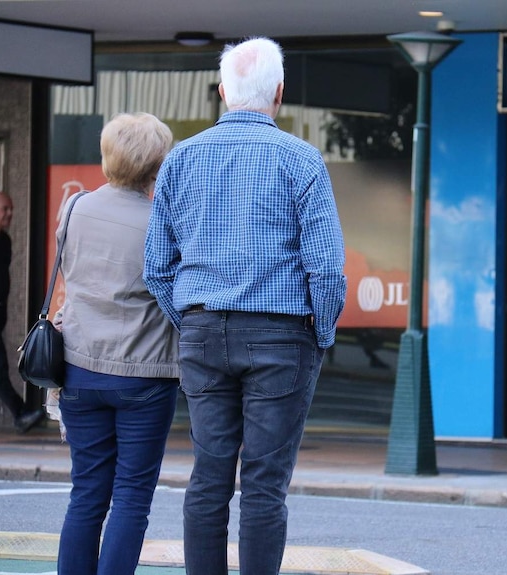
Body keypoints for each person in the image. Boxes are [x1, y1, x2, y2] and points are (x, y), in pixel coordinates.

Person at [144, 36, 347, 575]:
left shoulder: (181, 159)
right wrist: (320, 331)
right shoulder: (302, 160)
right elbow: (325, 268)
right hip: (283, 335)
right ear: (279, 92)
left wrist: (189, 320)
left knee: (209, 475)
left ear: (221, 92)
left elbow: (157, 266)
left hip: (203, 330)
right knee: (264, 482)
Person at [55, 112, 180, 575]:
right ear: (155, 165)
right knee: (131, 495)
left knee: (86, 492)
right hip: (144, 375)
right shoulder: (163, 223)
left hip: (78, 367)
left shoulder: (74, 209)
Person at [0, 190, 45, 433]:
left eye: (11, 209)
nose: (10, 214)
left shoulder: (4, 240)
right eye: (5, 209)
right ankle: (20, 413)